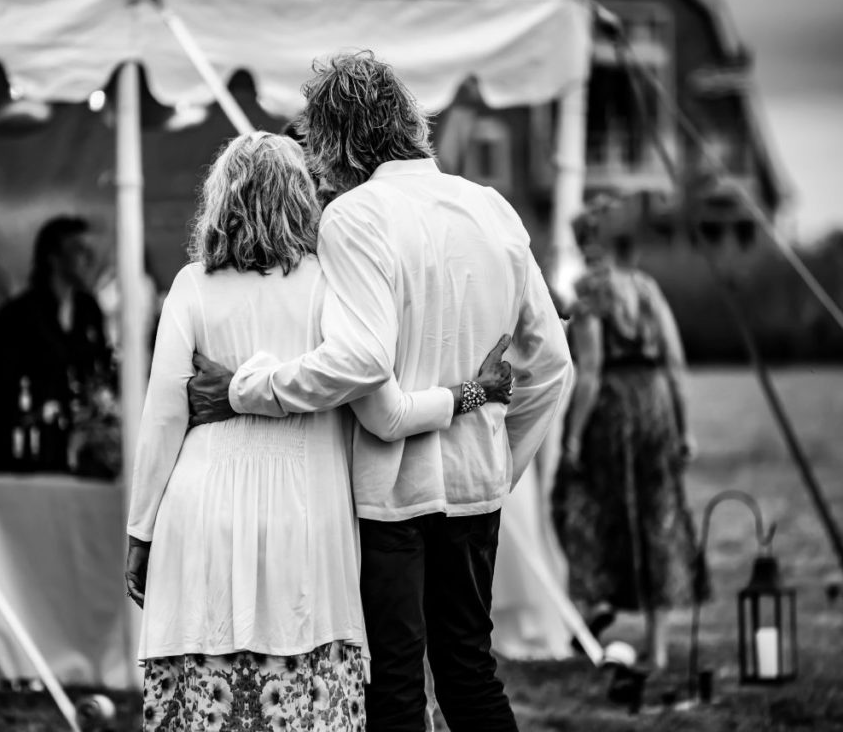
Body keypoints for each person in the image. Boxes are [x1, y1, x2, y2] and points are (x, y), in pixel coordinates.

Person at [185, 52, 573, 732]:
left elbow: (361, 361)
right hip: (476, 489)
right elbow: (554, 365)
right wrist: (500, 464)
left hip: (392, 498)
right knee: (470, 674)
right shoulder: (492, 209)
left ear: (334, 139)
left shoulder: (356, 216)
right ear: (407, 122)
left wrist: (251, 391)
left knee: (391, 686)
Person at [123, 132, 514, 731]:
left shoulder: (190, 286)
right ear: (303, 199)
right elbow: (387, 410)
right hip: (308, 514)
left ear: (220, 200)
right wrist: (473, 394)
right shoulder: (332, 285)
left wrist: (142, 529)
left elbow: (163, 417)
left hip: (200, 506)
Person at [551, 195, 706, 672]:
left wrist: (573, 435)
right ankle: (657, 649)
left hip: (615, 411)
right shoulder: (646, 287)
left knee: (581, 502)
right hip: (657, 403)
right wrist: (684, 427)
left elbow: (592, 370)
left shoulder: (590, 289)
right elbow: (676, 364)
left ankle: (594, 604)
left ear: (584, 243)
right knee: (658, 517)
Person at [0, 215, 112, 473]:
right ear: (53, 257)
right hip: (28, 455)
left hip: (82, 453)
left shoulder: (88, 310)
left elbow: (99, 370)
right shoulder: (15, 318)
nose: (88, 259)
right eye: (78, 249)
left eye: (89, 250)